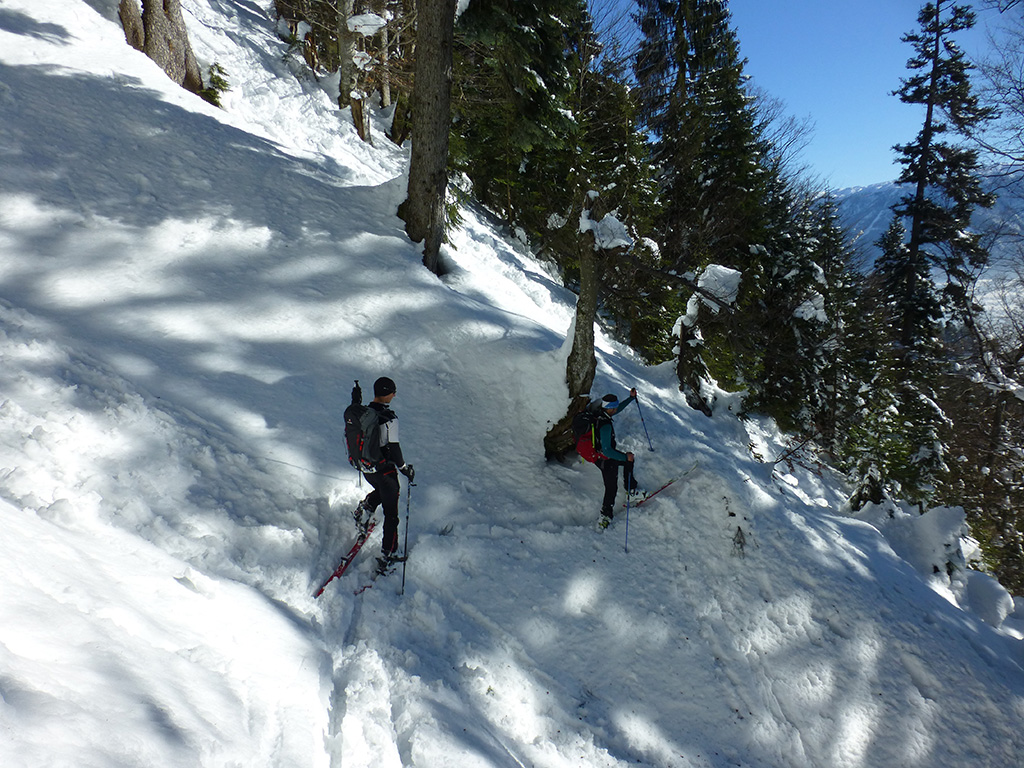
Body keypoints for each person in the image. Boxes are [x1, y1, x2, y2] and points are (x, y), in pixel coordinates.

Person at [352, 376, 414, 573]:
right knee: (391, 514)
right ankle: (389, 553)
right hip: (385, 471)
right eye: (393, 392)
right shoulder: (390, 419)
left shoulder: (364, 413)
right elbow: (394, 448)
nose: (394, 395)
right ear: (387, 394)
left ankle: (366, 508)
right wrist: (404, 469)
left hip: (366, 468)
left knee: (381, 491)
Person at [592, 388, 642, 528]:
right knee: (611, 488)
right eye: (614, 407)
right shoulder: (606, 426)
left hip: (598, 456)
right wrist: (624, 457)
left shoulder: (599, 413)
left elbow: (617, 408)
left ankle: (631, 490)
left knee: (628, 461)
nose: (616, 409)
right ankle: (605, 515)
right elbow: (607, 450)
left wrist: (630, 398)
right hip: (605, 459)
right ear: (610, 408)